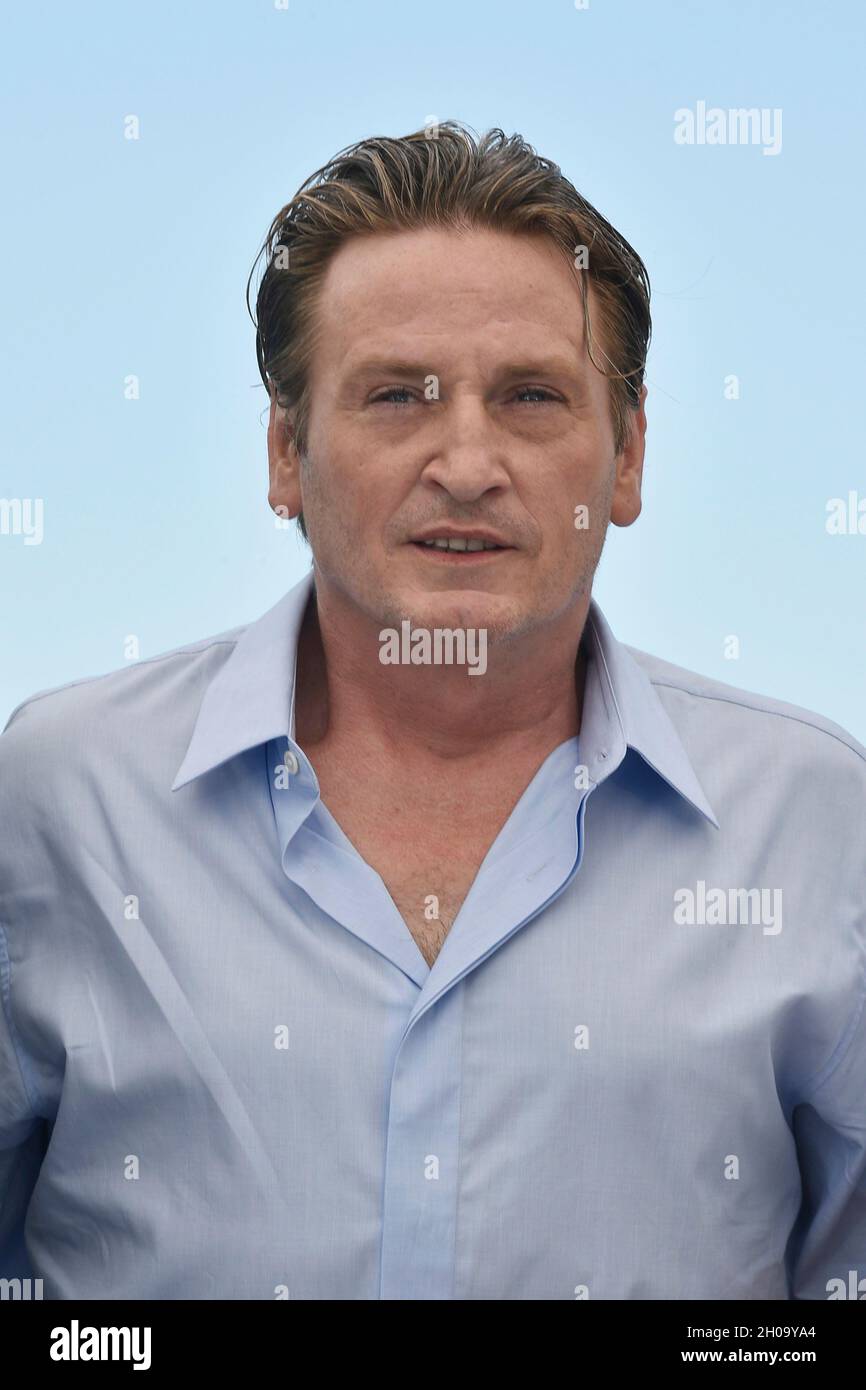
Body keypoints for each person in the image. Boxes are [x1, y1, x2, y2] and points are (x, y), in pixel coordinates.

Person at [1, 122, 863, 1301]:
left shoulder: (814, 820)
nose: (467, 461)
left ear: (625, 461)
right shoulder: (57, 797)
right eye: (397, 395)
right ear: (284, 455)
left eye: (529, 396)